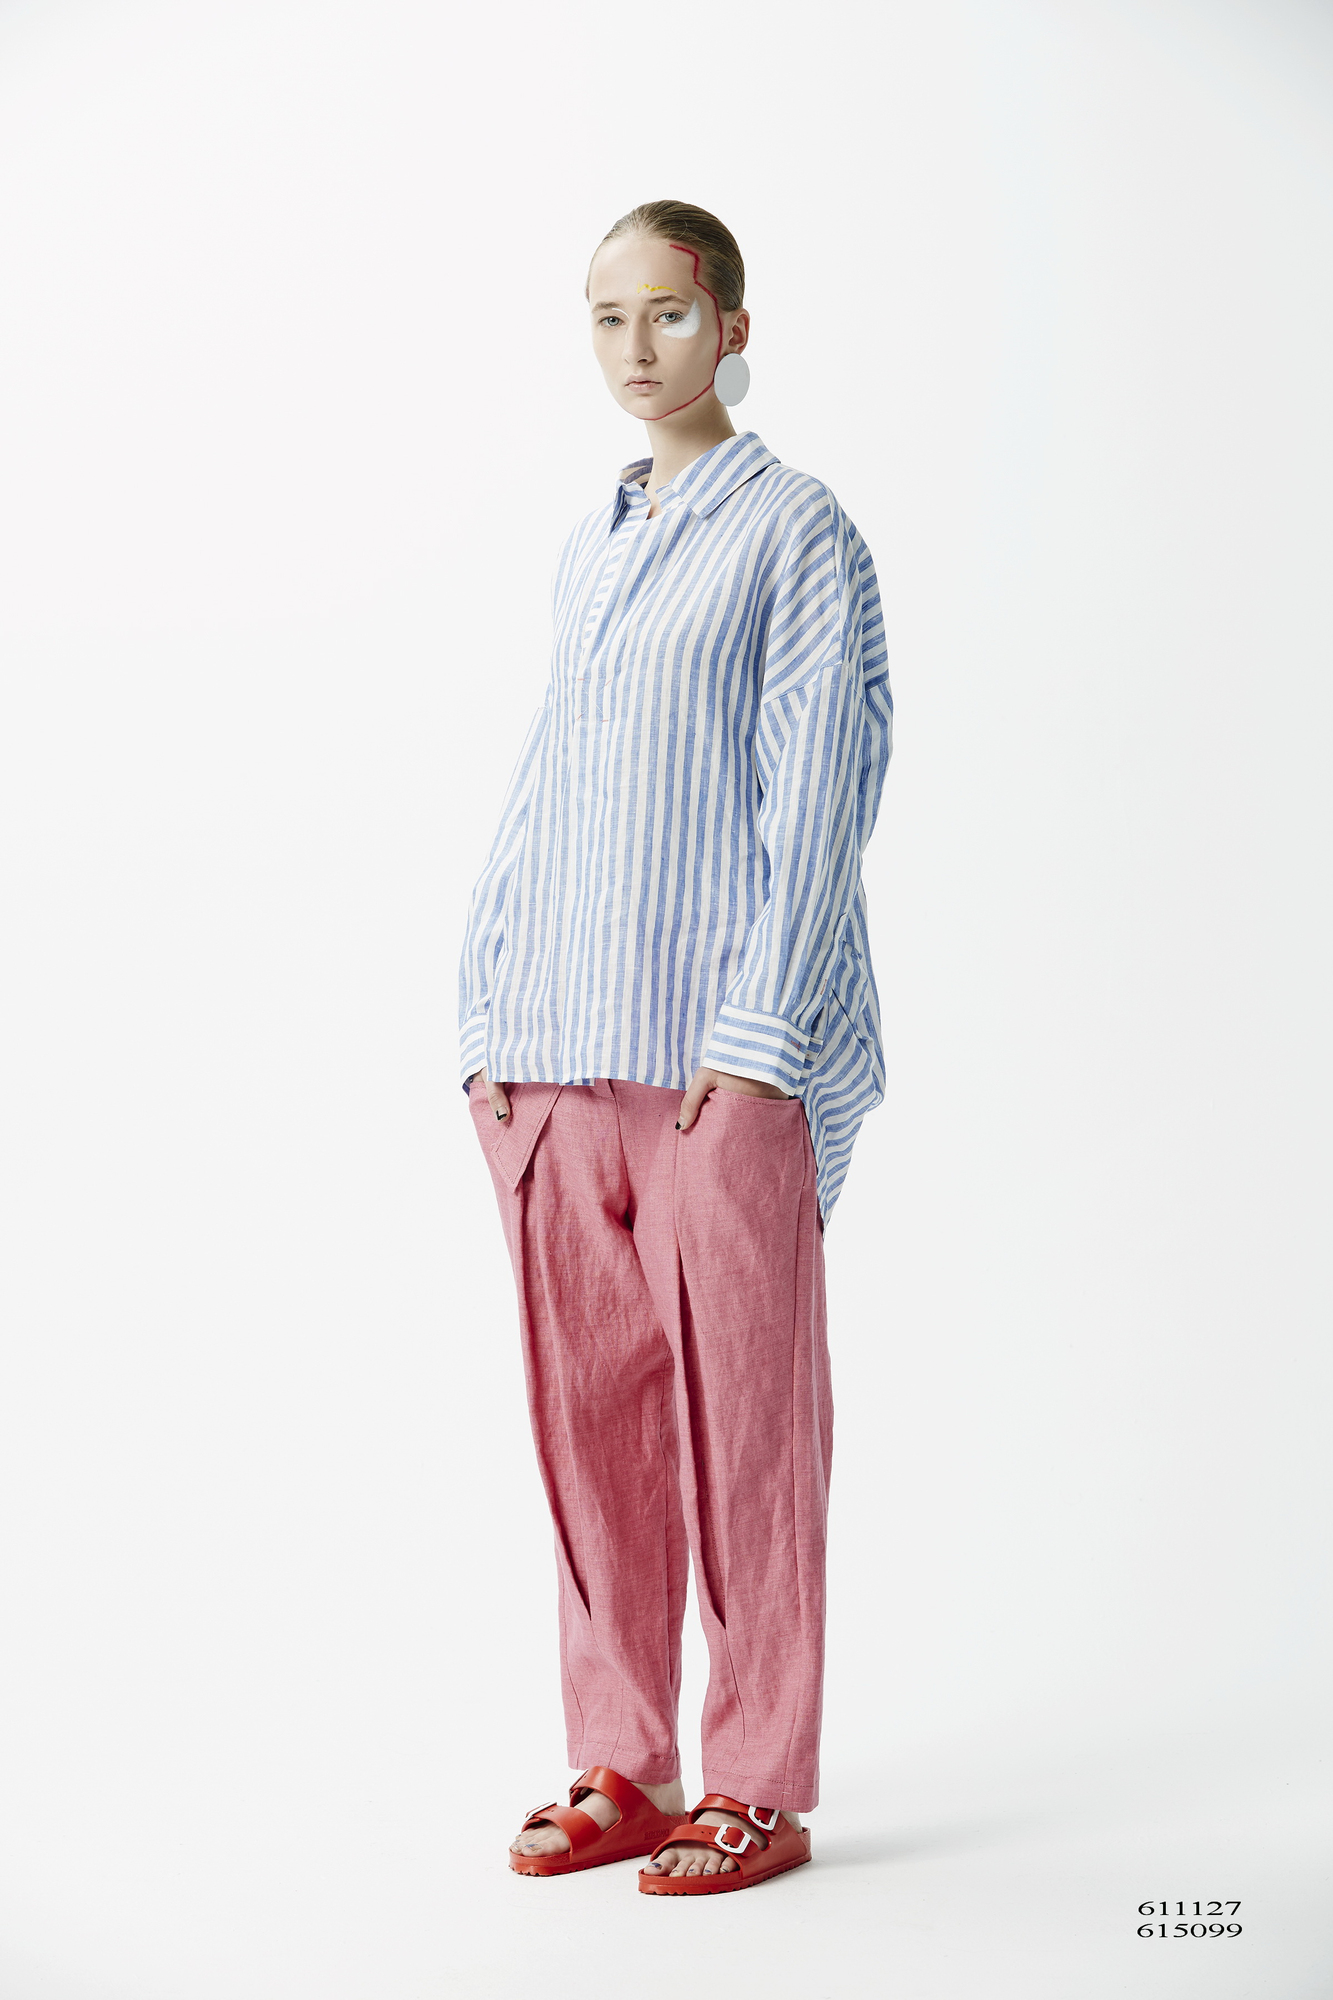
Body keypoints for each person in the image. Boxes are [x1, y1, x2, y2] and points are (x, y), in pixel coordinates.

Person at [458, 199, 893, 1895]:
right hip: (553, 1054)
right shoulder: (594, 541)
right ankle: (624, 1763)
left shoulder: (795, 531)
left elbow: (821, 791)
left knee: (749, 1431)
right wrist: (486, 1011)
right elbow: (553, 780)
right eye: (606, 318)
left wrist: (764, 1037)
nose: (635, 349)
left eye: (665, 313)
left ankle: (758, 1782)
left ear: (731, 325)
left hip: (720, 1059)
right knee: (593, 1434)